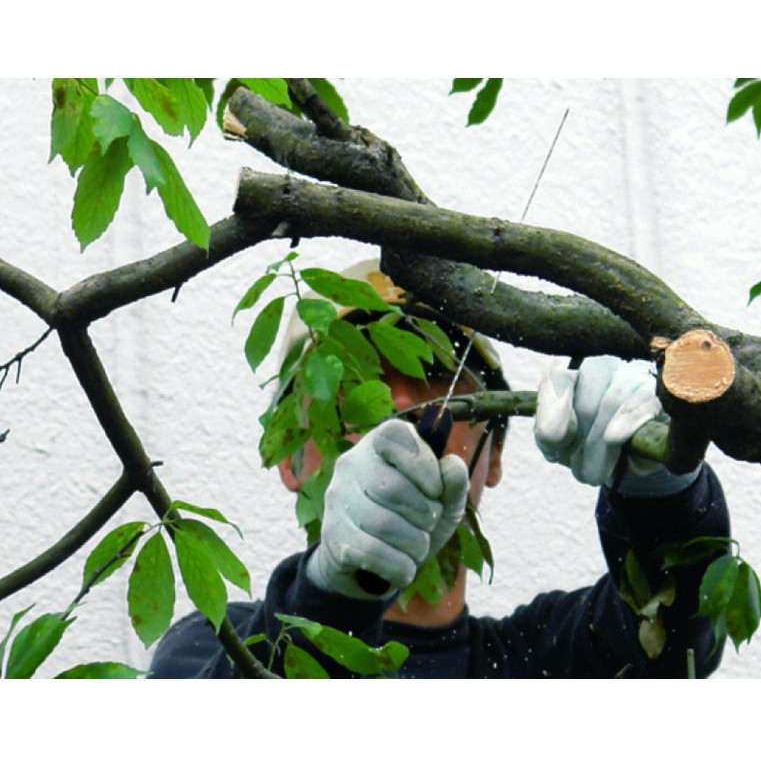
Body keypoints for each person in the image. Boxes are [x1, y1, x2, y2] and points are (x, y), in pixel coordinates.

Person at [149, 260, 730, 679]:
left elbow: (676, 637)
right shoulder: (213, 647)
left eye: (432, 367)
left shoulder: (545, 663)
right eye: (352, 373)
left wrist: (661, 485)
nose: (400, 402)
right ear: (289, 456)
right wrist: (332, 598)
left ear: (494, 453)